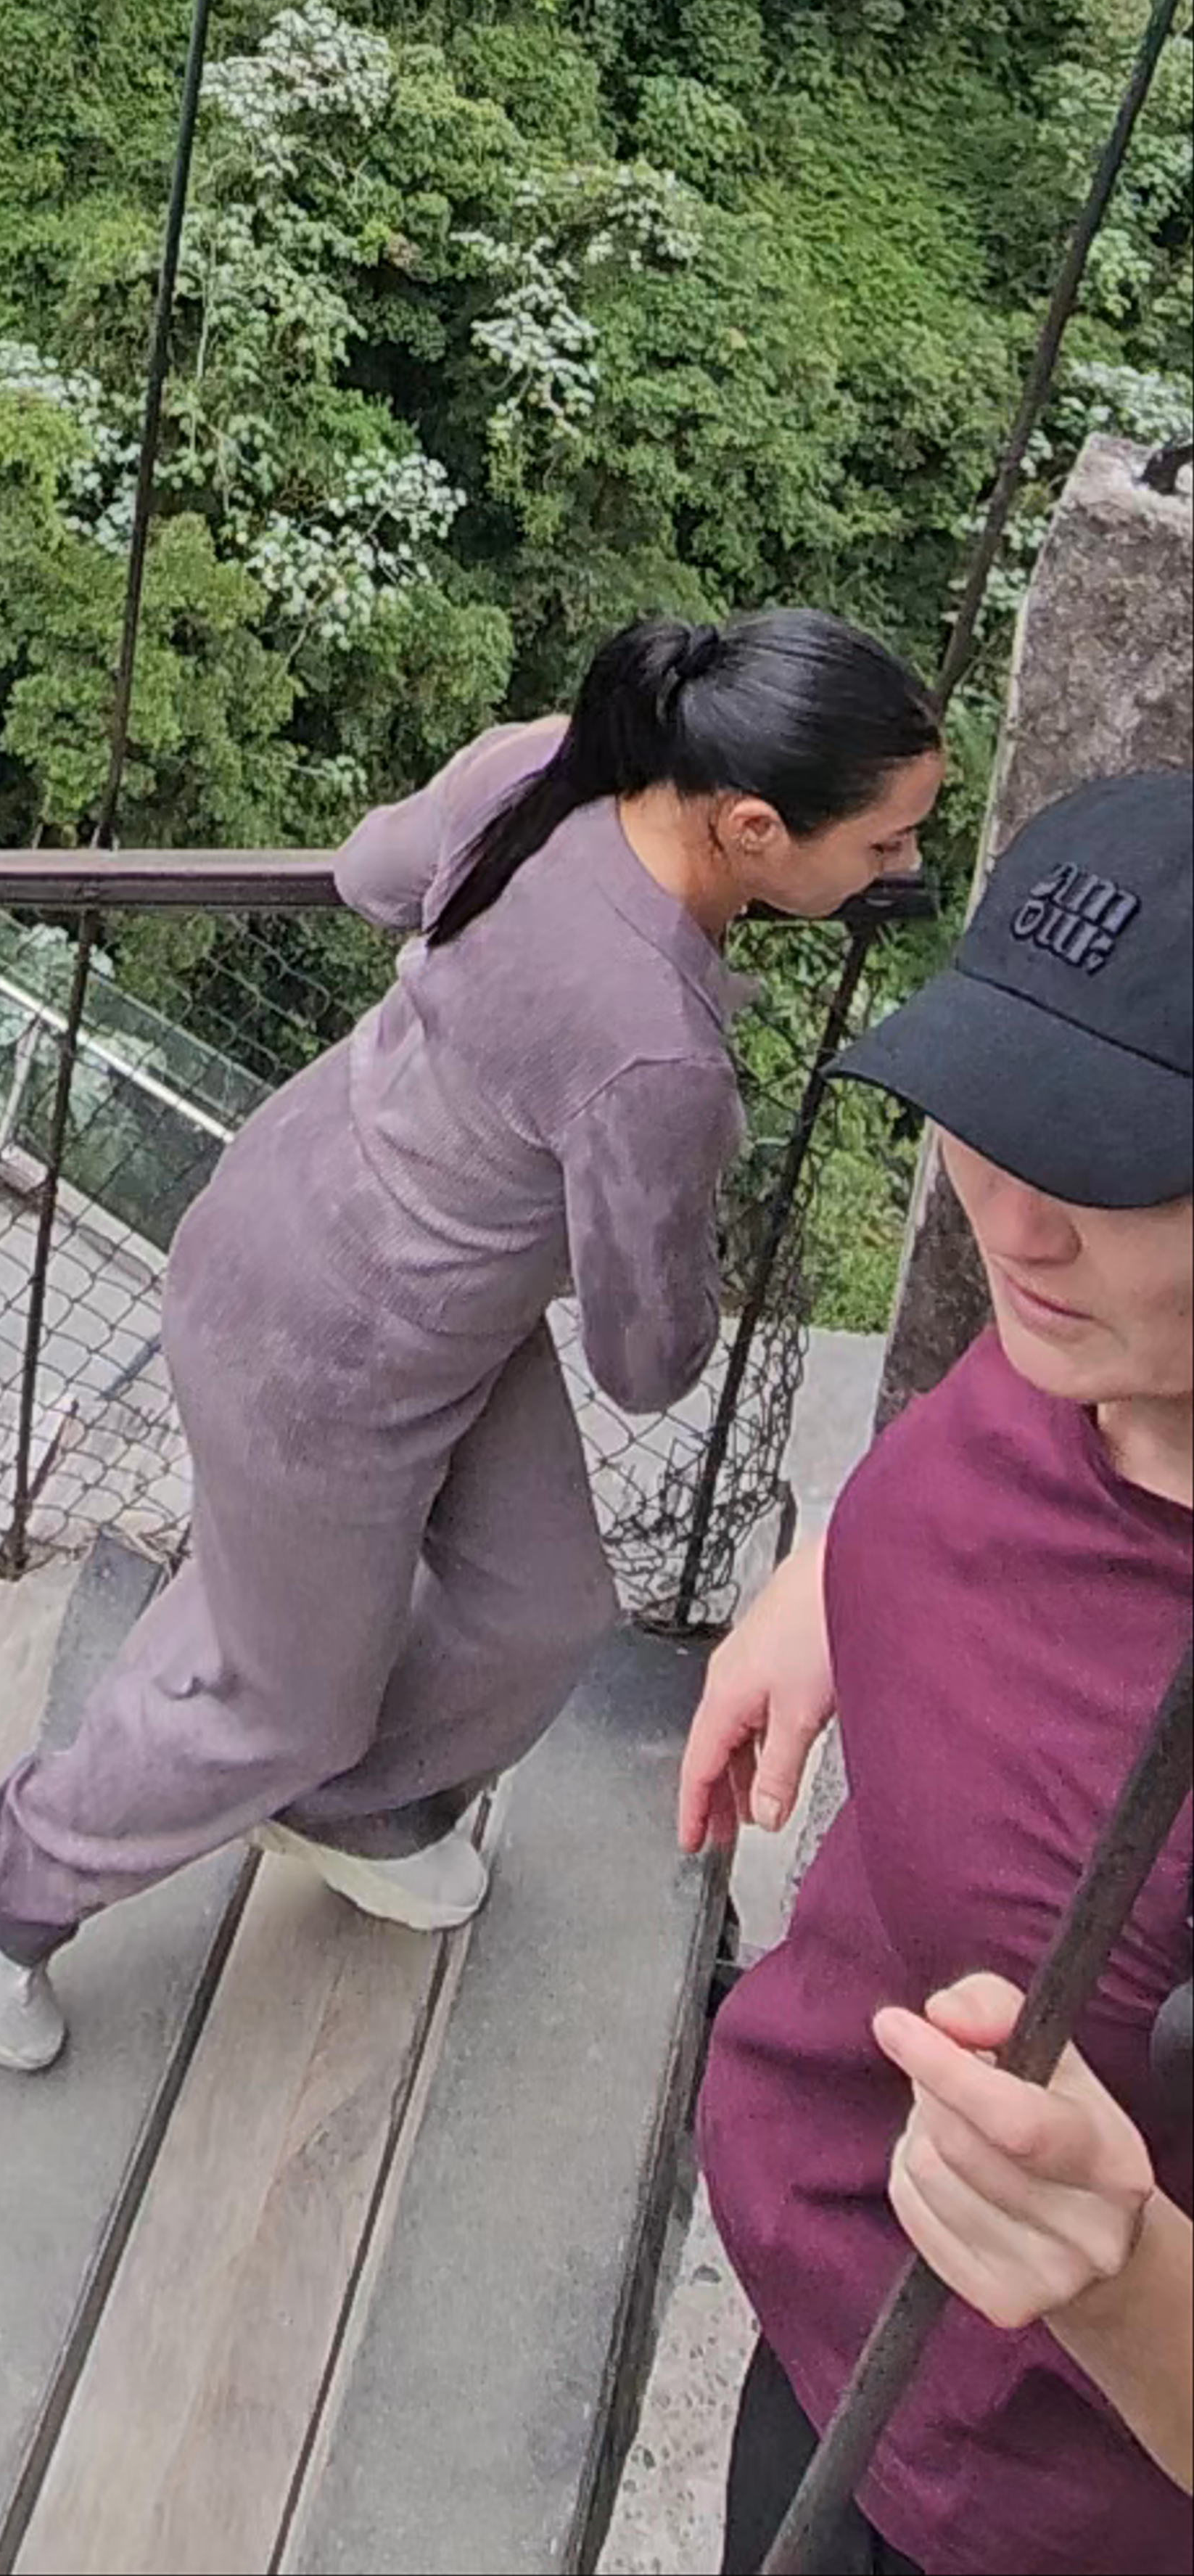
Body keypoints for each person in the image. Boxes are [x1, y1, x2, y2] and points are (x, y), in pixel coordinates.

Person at [0, 608, 944, 2069]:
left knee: (538, 1606)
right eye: (885, 842)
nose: (901, 871)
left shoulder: (551, 767)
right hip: (320, 1351)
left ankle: (350, 1804)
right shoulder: (656, 1052)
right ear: (756, 826)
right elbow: (647, 1359)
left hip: (364, 1241)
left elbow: (372, 871)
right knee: (281, 1693)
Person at [688, 766, 1194, 2576]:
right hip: (826, 2287)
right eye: (996, 1109)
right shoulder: (1107, 1343)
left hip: (994, 2489)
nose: (1015, 1217)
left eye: (1115, 1164)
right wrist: (848, 1570)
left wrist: (1125, 2272)